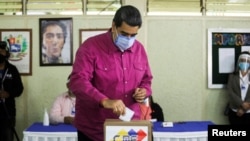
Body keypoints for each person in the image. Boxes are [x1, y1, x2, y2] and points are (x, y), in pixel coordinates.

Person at [69, 5, 153, 141]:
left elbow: (147, 79)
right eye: (124, 34)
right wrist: (104, 101)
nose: (129, 39)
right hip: (95, 130)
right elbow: (78, 82)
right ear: (114, 26)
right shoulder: (90, 47)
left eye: (133, 35)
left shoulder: (139, 50)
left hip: (129, 129)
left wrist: (144, 91)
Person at [0, 41, 24, 141]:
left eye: (2, 51)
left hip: (8, 112)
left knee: (8, 137)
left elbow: (20, 89)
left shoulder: (12, 69)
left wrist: (9, 94)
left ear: (6, 53)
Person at [227, 51, 250, 125]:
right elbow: (230, 92)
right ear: (239, 62)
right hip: (235, 111)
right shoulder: (232, 76)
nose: (245, 63)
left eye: (247, 61)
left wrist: (244, 109)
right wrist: (242, 104)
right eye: (242, 60)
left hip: (248, 112)